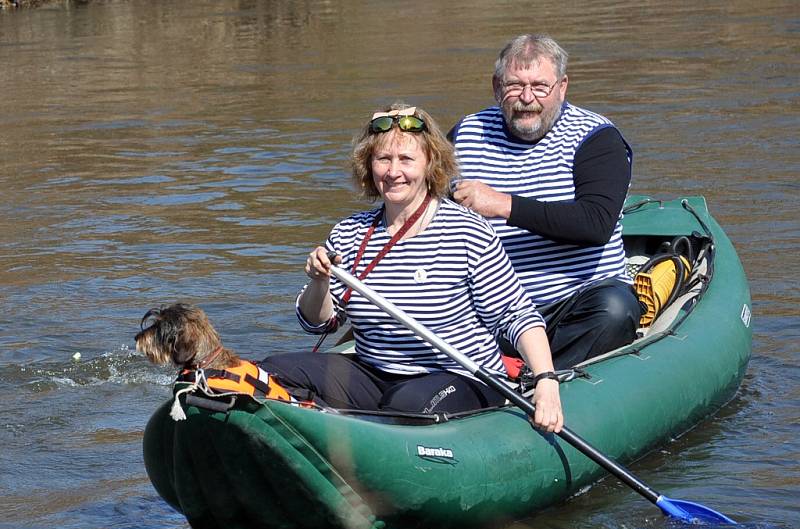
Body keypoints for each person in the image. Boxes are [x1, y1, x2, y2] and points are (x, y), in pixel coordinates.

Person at [262, 104, 563, 432]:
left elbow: (515, 316)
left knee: (405, 406)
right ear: (368, 165)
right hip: (375, 372)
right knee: (271, 370)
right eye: (383, 160)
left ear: (430, 163)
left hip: (459, 376)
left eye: (406, 159)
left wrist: (547, 381)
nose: (393, 172)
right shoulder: (348, 233)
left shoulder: (467, 231)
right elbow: (318, 324)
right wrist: (319, 282)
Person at [449, 34, 643, 370]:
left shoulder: (597, 138)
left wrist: (503, 205)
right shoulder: (465, 134)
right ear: (497, 87)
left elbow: (595, 224)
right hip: (492, 308)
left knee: (615, 310)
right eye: (514, 85)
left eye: (540, 86)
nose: (527, 98)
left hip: (574, 305)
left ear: (562, 87)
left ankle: (537, 381)